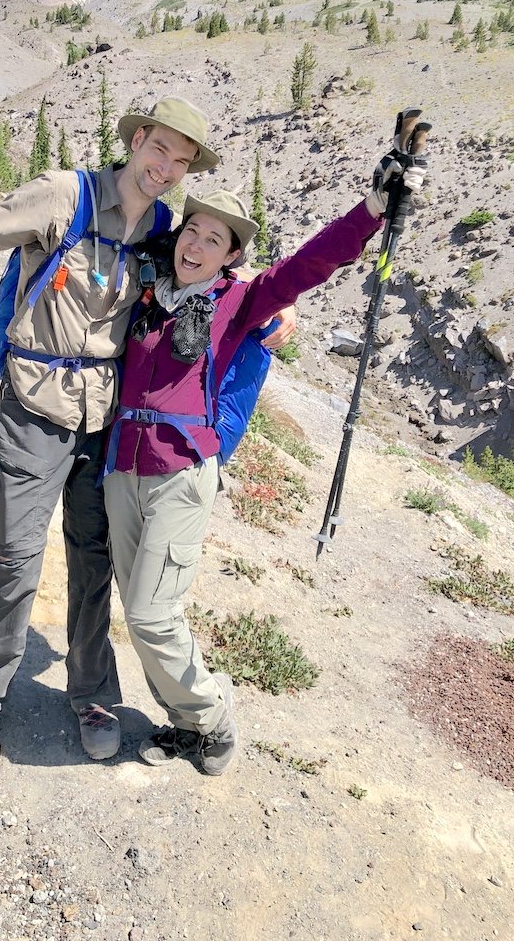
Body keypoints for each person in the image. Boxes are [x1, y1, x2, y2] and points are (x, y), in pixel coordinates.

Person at [0, 96, 295, 771]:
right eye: (161, 150)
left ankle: (92, 694)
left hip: (107, 418)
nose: (167, 168)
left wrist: (271, 320)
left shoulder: (161, 227)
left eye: (182, 162)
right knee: (11, 557)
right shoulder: (64, 196)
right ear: (138, 139)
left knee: (93, 560)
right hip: (35, 405)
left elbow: (210, 279)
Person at [101, 146, 427, 776]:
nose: (195, 244)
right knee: (142, 612)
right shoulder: (145, 285)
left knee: (150, 612)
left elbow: (308, 266)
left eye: (213, 239)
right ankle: (183, 721)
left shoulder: (241, 301)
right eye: (191, 230)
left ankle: (213, 716)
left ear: (231, 256)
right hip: (123, 470)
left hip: (179, 475)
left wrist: (372, 211)